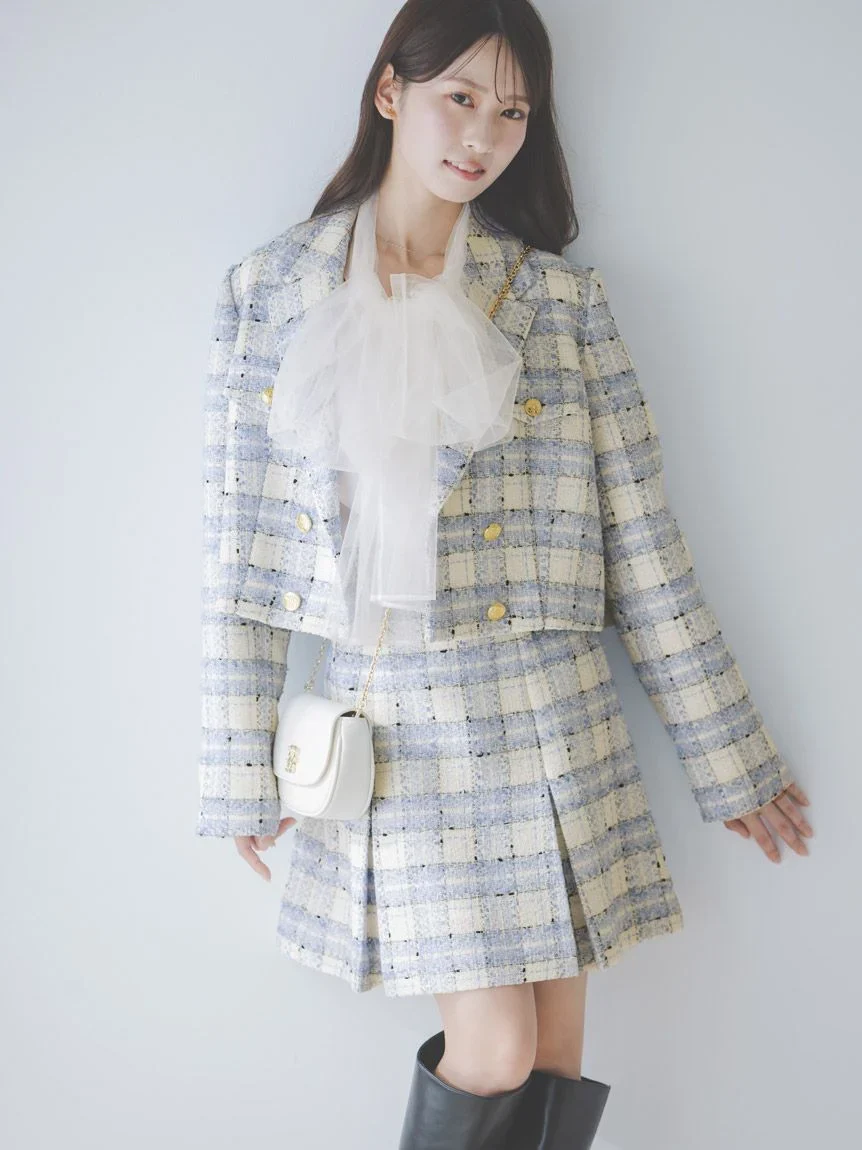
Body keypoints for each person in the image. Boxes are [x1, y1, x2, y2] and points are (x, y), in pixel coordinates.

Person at [196, 2, 813, 1147]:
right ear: (391, 92)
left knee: (557, 1059)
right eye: (460, 98)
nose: (484, 134)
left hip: (552, 719)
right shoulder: (270, 291)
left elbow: (643, 546)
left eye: (514, 111)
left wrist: (727, 754)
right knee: (497, 1051)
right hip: (402, 732)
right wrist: (238, 766)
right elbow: (242, 551)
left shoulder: (560, 304)